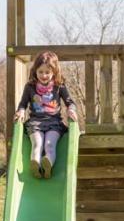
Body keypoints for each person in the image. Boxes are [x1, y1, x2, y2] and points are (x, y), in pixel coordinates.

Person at [14, 51, 78, 179]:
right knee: (37, 143)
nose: (44, 75)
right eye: (40, 72)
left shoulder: (59, 86)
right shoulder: (30, 87)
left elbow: (70, 102)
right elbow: (23, 104)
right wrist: (20, 111)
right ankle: (36, 165)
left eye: (47, 72)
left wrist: (71, 109)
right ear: (35, 71)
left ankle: (48, 164)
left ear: (54, 72)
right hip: (35, 123)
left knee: (49, 144)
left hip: (54, 123)